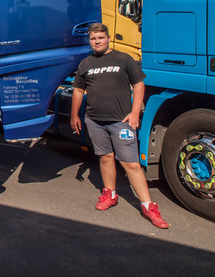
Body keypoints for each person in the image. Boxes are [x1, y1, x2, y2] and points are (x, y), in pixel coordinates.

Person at [70, 23, 168, 229]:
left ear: (108, 38)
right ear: (90, 40)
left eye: (100, 38)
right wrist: (74, 116)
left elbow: (139, 84)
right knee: (105, 158)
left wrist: (134, 113)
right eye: (93, 38)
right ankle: (110, 194)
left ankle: (148, 206)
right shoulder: (85, 63)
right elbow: (78, 90)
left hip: (120, 121)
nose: (97, 41)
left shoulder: (124, 59)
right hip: (94, 120)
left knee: (131, 164)